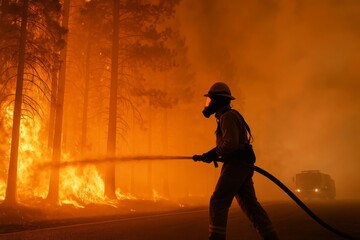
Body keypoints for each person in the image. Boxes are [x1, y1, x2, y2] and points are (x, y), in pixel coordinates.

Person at [193, 82, 279, 240]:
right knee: (250, 205)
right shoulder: (227, 117)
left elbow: (230, 144)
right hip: (241, 166)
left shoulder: (227, 117)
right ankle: (271, 237)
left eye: (210, 100)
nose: (208, 104)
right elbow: (232, 144)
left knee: (218, 201)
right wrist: (211, 155)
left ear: (218, 101)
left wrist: (212, 153)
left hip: (236, 166)